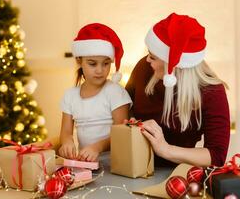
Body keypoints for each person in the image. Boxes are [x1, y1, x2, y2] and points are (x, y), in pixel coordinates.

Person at [126, 13, 230, 167]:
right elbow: (126, 107)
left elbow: (216, 155)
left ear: (173, 64)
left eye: (153, 56)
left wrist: (166, 149)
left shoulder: (212, 92)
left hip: (178, 175)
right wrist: (130, 124)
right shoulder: (144, 68)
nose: (147, 59)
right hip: (134, 166)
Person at [59, 23, 132, 162]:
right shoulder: (70, 96)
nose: (100, 70)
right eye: (92, 64)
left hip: (116, 164)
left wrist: (97, 147)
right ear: (79, 61)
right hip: (87, 165)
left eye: (106, 64)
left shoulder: (115, 92)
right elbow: (66, 133)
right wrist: (67, 143)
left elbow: (122, 134)